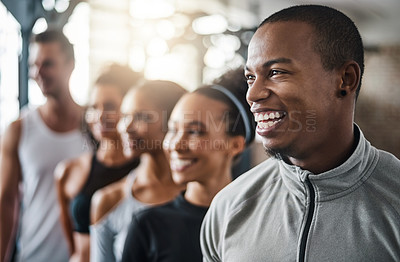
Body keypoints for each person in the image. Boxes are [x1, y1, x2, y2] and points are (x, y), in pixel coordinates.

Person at [200, 5, 400, 262]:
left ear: (346, 79)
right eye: (251, 77)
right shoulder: (228, 207)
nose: (253, 94)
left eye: (276, 72)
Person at [121, 68, 256, 262]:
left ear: (235, 145)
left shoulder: (260, 221)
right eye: (173, 129)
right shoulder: (148, 225)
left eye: (195, 132)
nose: (176, 144)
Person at [0, 29, 90, 262]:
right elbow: (6, 202)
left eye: (47, 64)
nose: (37, 73)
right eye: (33, 65)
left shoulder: (94, 126)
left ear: (70, 64)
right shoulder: (19, 129)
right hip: (33, 255)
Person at [89, 80, 187, 262]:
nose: (126, 127)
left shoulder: (199, 194)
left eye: (141, 117)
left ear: (173, 122)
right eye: (125, 116)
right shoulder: (108, 200)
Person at [54, 64, 142, 262]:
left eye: (110, 106)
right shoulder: (69, 171)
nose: (100, 116)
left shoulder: (145, 171)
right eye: (94, 107)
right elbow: (75, 250)